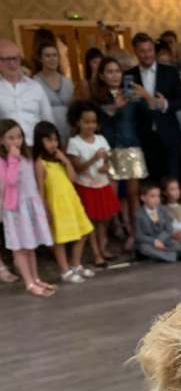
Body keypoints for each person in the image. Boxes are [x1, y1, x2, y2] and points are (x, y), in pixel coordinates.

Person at [92, 56, 149, 250]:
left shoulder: (131, 93)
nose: (115, 75)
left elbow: (149, 114)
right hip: (109, 149)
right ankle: (105, 242)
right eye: (109, 71)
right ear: (101, 75)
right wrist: (114, 107)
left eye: (117, 71)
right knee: (110, 197)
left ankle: (136, 235)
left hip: (131, 147)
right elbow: (94, 120)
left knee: (134, 196)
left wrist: (146, 96)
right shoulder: (97, 97)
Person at [33, 121, 94, 283]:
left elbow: (73, 179)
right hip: (56, 206)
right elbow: (40, 189)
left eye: (55, 140)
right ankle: (65, 271)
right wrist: (44, 209)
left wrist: (66, 161)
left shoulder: (60, 160)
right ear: (40, 142)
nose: (53, 144)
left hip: (71, 202)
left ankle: (76, 264)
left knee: (84, 232)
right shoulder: (40, 163)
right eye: (48, 140)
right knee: (59, 240)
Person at [0, 119, 54, 296]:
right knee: (20, 248)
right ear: (2, 140)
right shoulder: (3, 161)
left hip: (30, 205)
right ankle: (29, 283)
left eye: (19, 136)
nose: (17, 141)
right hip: (15, 209)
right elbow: (10, 182)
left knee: (30, 246)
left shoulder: (26, 156)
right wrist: (12, 160)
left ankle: (36, 278)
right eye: (11, 138)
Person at [66, 100, 121, 267]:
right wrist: (94, 159)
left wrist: (106, 166)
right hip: (86, 187)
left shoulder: (101, 139)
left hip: (102, 184)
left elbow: (108, 161)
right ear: (78, 122)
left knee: (103, 219)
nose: (91, 125)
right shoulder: (74, 142)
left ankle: (103, 248)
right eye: (86, 122)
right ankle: (96, 253)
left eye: (94, 122)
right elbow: (78, 168)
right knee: (90, 222)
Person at [127, 32, 181, 182]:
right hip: (144, 137)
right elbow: (129, 108)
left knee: (173, 182)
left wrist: (164, 104)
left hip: (169, 135)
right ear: (135, 51)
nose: (147, 55)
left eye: (150, 50)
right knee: (151, 184)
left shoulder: (170, 72)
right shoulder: (129, 76)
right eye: (142, 51)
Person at [0, 39, 53, 145]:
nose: (12, 63)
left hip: (36, 147)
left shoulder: (35, 87)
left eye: (15, 58)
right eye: (6, 59)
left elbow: (48, 120)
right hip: (6, 150)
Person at [134, 180, 181, 262]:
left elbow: (168, 229)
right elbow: (139, 235)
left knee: (176, 245)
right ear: (143, 198)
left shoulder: (162, 210)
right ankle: (175, 256)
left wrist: (160, 240)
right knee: (144, 248)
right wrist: (154, 241)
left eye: (158, 196)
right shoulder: (138, 214)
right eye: (152, 196)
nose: (156, 199)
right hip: (148, 243)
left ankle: (156, 255)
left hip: (162, 239)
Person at [33, 42, 75, 146]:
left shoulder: (67, 81)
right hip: (47, 131)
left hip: (69, 130)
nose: (52, 59)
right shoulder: (34, 82)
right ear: (40, 59)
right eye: (47, 56)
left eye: (54, 55)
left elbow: (73, 107)